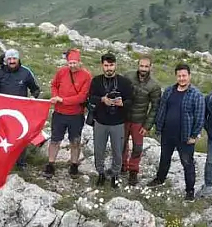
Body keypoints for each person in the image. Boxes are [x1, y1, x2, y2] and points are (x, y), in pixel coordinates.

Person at [148, 63, 205, 200]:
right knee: (164, 159)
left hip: (185, 136)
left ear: (189, 76)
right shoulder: (169, 91)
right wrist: (158, 127)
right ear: (176, 76)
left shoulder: (196, 95)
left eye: (184, 75)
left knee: (187, 163)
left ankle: (190, 191)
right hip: (167, 134)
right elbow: (162, 109)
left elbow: (200, 117)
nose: (182, 78)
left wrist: (194, 135)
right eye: (179, 76)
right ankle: (160, 179)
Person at [87, 53, 134, 188]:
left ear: (116, 65)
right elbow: (90, 98)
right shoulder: (96, 81)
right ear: (102, 65)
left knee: (118, 151)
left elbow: (131, 100)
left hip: (118, 123)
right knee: (99, 149)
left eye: (111, 65)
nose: (109, 68)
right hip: (100, 122)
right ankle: (101, 173)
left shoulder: (124, 82)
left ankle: (115, 174)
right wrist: (102, 99)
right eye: (106, 65)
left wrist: (122, 103)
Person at [45, 49, 92, 178]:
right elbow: (54, 85)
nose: (72, 65)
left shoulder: (86, 76)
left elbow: (82, 97)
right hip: (59, 113)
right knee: (55, 140)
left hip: (76, 115)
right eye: (70, 63)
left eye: (74, 62)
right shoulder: (61, 72)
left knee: (75, 141)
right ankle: (50, 164)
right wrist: (55, 96)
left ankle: (74, 165)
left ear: (79, 61)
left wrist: (62, 100)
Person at [0, 49, 42, 169]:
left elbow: (35, 89)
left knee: (20, 137)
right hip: (3, 112)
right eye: (9, 59)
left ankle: (21, 163)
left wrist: (33, 98)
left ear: (18, 59)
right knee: (1, 137)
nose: (12, 61)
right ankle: (2, 161)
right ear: (5, 60)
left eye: (14, 58)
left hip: (20, 113)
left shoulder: (26, 72)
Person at [122, 57, 162, 186]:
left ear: (150, 67)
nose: (143, 69)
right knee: (121, 143)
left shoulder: (154, 85)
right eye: (141, 66)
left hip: (139, 120)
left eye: (146, 66)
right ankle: (121, 165)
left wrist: (147, 126)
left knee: (137, 147)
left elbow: (155, 107)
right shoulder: (128, 76)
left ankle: (133, 171)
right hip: (124, 117)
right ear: (138, 65)